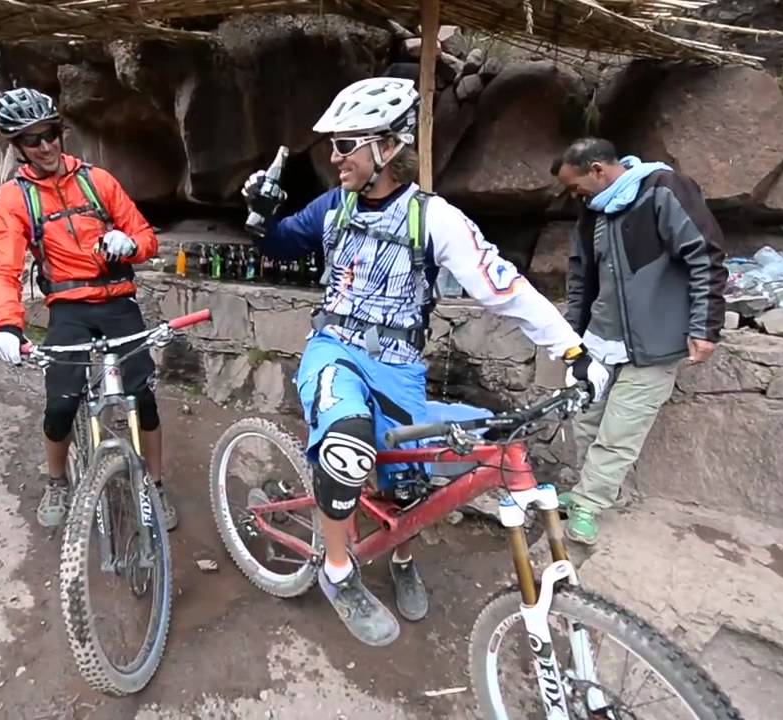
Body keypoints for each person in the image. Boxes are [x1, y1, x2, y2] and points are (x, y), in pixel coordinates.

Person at [240, 77, 610, 647]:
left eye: (345, 145)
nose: (332, 157)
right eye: (332, 146)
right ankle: (338, 573)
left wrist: (571, 349)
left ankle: (401, 558)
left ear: (386, 147)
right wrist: (263, 218)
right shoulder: (332, 206)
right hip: (335, 348)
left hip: (399, 364)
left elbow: (501, 287)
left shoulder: (433, 218)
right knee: (346, 441)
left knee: (407, 485)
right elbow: (284, 243)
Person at [0, 88, 177, 530]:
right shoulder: (16, 199)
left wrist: (131, 245)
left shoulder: (98, 180)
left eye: (51, 133)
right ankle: (57, 480)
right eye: (32, 140)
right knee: (60, 404)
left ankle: (156, 486)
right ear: (18, 147)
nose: (46, 146)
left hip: (118, 301)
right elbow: (4, 267)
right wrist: (8, 326)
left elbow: (146, 237)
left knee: (143, 398)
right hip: (69, 308)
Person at [550, 137, 727, 546]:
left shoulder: (663, 190)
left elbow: (705, 257)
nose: (572, 195)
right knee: (586, 419)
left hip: (653, 344)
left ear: (598, 170)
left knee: (620, 431)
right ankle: (585, 491)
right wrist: (572, 333)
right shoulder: (591, 210)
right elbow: (581, 274)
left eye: (575, 186)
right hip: (598, 339)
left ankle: (589, 505)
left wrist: (704, 327)